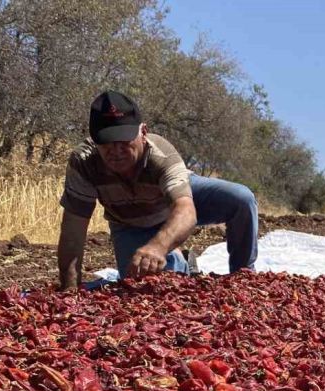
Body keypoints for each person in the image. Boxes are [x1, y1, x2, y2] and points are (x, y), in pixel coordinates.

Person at [57, 90, 258, 289]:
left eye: (124, 140)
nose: (116, 151)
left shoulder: (160, 155)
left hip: (172, 200)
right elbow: (73, 231)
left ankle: (244, 277)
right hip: (130, 222)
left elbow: (186, 211)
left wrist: (158, 246)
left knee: (241, 199)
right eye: (107, 142)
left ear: (143, 132)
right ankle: (183, 262)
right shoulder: (84, 162)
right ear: (94, 138)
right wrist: (69, 289)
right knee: (148, 283)